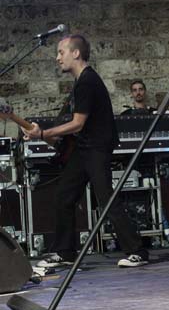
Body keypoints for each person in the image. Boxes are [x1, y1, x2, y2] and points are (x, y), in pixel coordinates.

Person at [22, 35, 149, 268]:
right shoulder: (81, 81)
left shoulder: (88, 81)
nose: (57, 58)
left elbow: (78, 123)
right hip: (83, 149)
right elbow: (76, 126)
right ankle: (65, 252)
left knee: (105, 199)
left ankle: (137, 251)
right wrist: (48, 134)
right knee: (64, 196)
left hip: (96, 149)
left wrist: (42, 134)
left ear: (76, 53)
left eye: (61, 52)